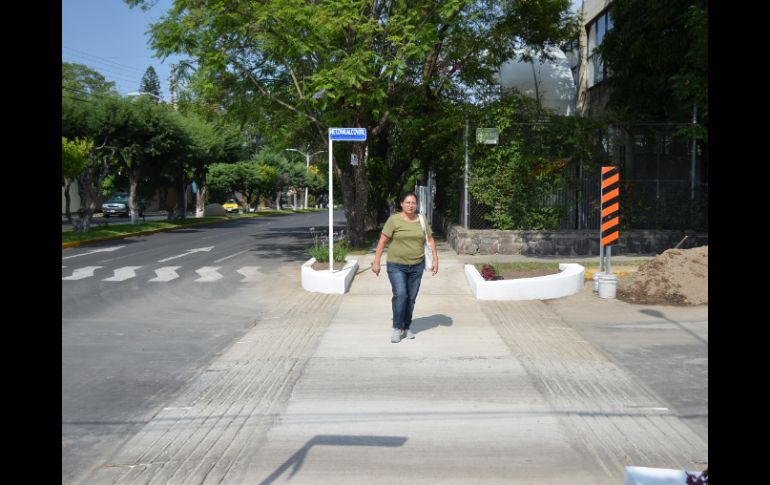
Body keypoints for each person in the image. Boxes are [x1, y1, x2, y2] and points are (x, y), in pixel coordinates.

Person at [372, 193, 439, 343]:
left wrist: (435, 258)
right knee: (401, 295)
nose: (411, 205)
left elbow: (430, 239)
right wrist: (376, 262)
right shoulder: (394, 220)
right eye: (408, 202)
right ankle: (397, 327)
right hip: (396, 265)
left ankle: (406, 326)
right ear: (401, 204)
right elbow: (382, 241)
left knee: (411, 298)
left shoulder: (421, 220)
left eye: (413, 203)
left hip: (417, 265)